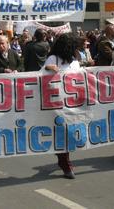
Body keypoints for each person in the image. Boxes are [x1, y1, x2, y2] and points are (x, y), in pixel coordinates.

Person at [41, 33, 81, 178]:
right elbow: (42, 75)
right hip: (57, 103)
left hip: (72, 102)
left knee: (71, 133)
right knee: (62, 132)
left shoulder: (74, 61)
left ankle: (63, 156)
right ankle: (65, 162)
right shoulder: (53, 59)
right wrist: (48, 68)